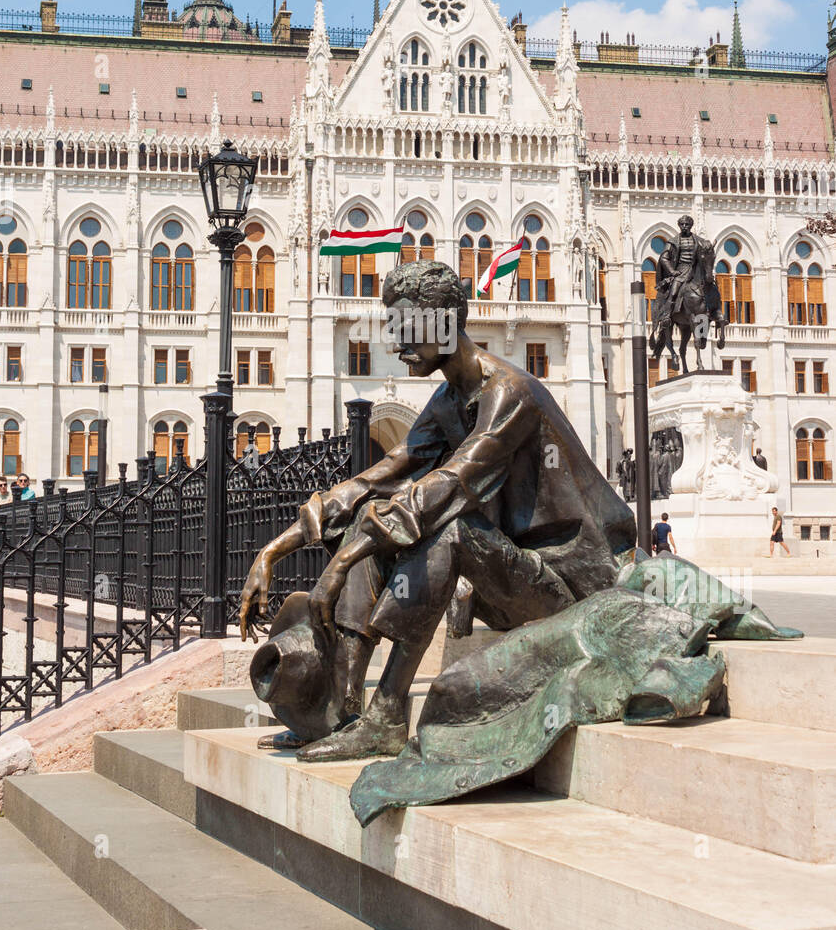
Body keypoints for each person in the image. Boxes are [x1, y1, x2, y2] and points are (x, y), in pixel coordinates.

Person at [239, 259, 637, 762]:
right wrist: (273, 552)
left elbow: (453, 484)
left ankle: (386, 717)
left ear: (445, 323)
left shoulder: (510, 391)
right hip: (512, 581)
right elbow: (377, 477)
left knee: (449, 527)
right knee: (375, 513)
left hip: (572, 588)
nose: (397, 345)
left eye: (407, 331)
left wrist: (339, 564)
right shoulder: (449, 399)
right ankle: (337, 707)